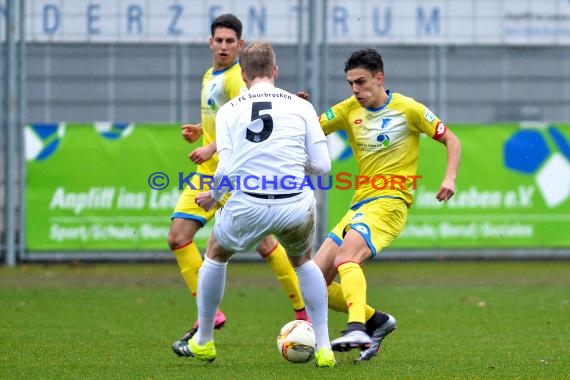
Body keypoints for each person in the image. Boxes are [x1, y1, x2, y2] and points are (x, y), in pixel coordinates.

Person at [176, 41, 336, 366]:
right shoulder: (301, 107)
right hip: (295, 203)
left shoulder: (229, 110)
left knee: (216, 254)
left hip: (249, 202)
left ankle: (204, 341)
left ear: (244, 74)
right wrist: (290, 161)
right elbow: (323, 166)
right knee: (304, 261)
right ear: (275, 72)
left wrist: (215, 196)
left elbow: (227, 168)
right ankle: (324, 347)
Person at [314, 48, 462, 361]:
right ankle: (376, 321)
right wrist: (299, 112)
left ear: (379, 78)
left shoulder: (408, 109)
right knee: (313, 282)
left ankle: (357, 327)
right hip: (360, 204)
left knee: (347, 258)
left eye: (361, 82)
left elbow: (452, 139)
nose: (355, 89)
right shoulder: (346, 110)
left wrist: (449, 178)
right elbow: (311, 129)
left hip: (392, 201)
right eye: (350, 83)